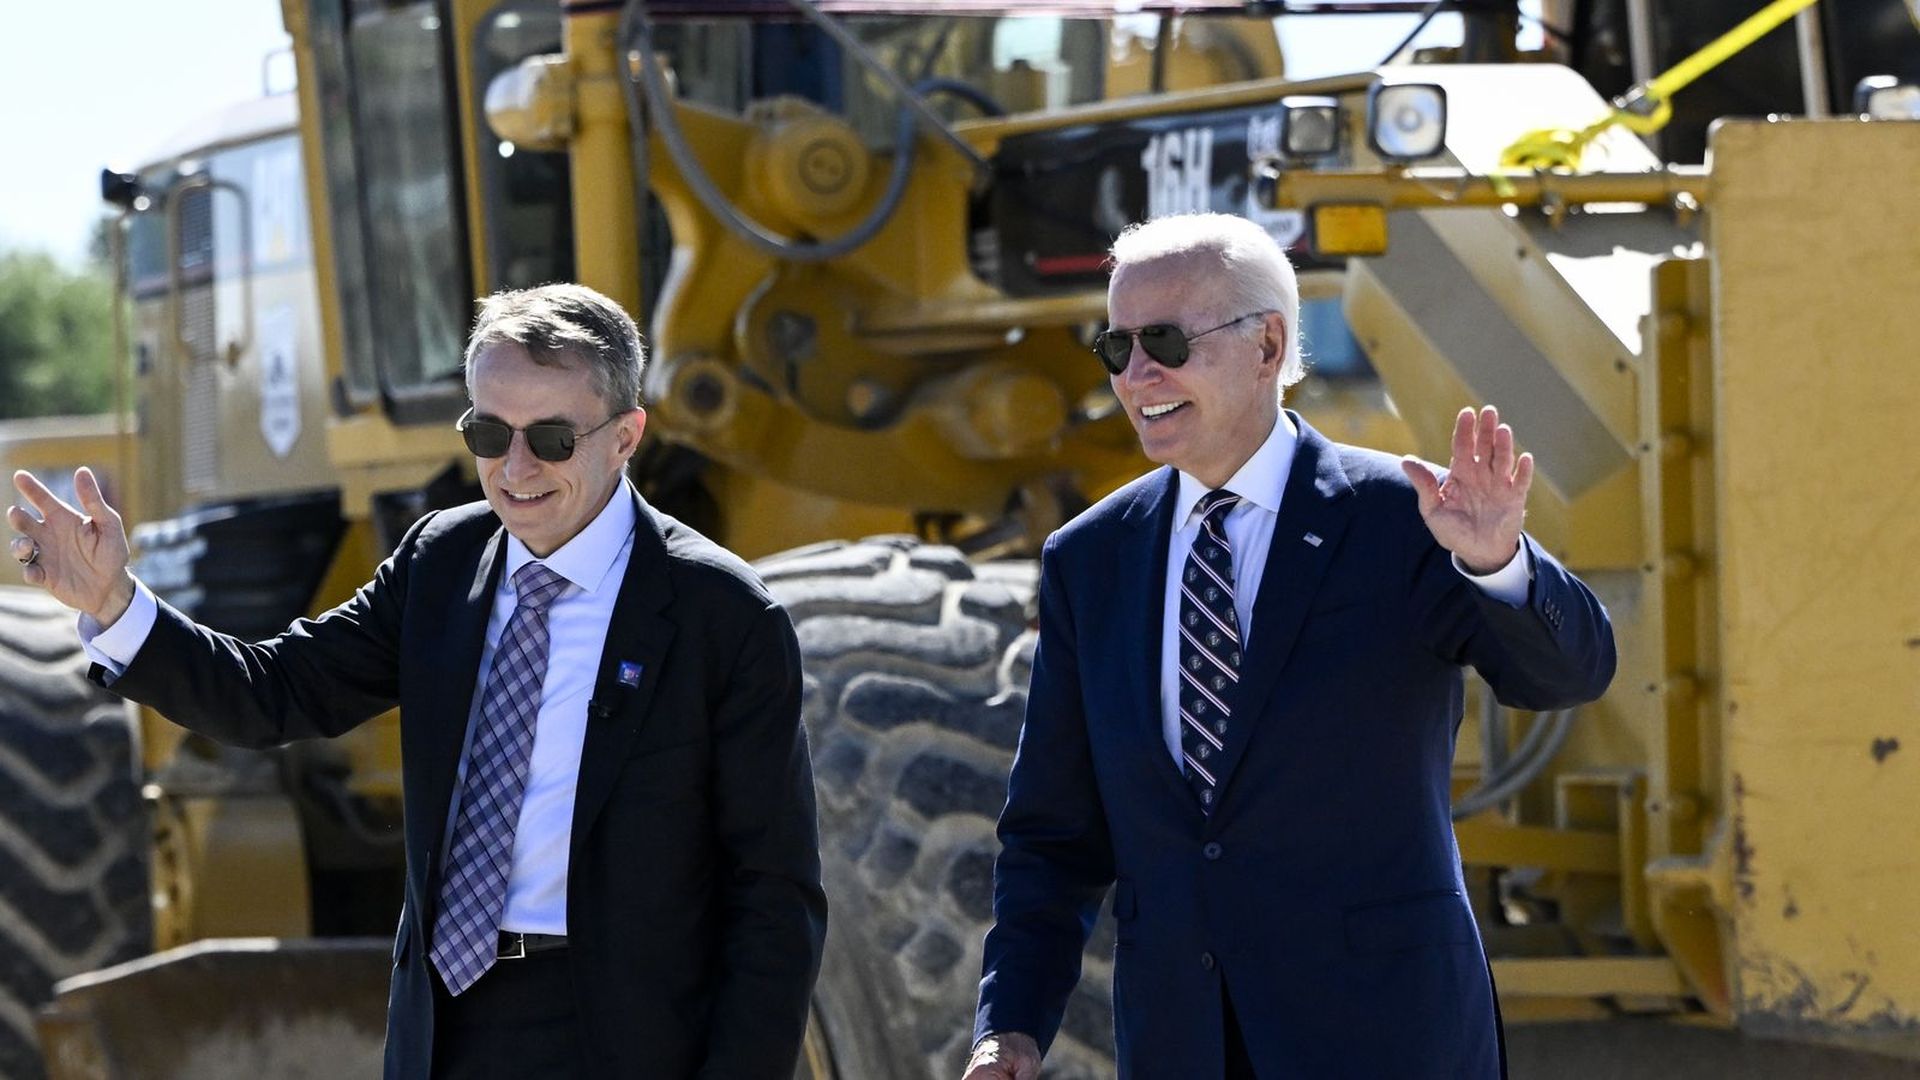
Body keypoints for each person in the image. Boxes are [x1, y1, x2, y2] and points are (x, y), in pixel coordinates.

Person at [8, 283, 827, 1080]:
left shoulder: (724, 615)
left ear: (626, 436)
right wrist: (116, 603)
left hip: (629, 1036)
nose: (514, 468)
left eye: (550, 439)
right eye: (487, 432)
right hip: (446, 1026)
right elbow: (275, 692)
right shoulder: (440, 564)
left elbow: (775, 897)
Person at [962, 213, 1615, 1080]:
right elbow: (1053, 832)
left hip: (1386, 1040)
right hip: (1181, 1046)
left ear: (1267, 345)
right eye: (1116, 348)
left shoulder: (1403, 517)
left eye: (1163, 340)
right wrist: (1010, 1025)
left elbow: (1569, 675)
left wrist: (1496, 562)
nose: (1138, 373)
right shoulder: (1091, 557)